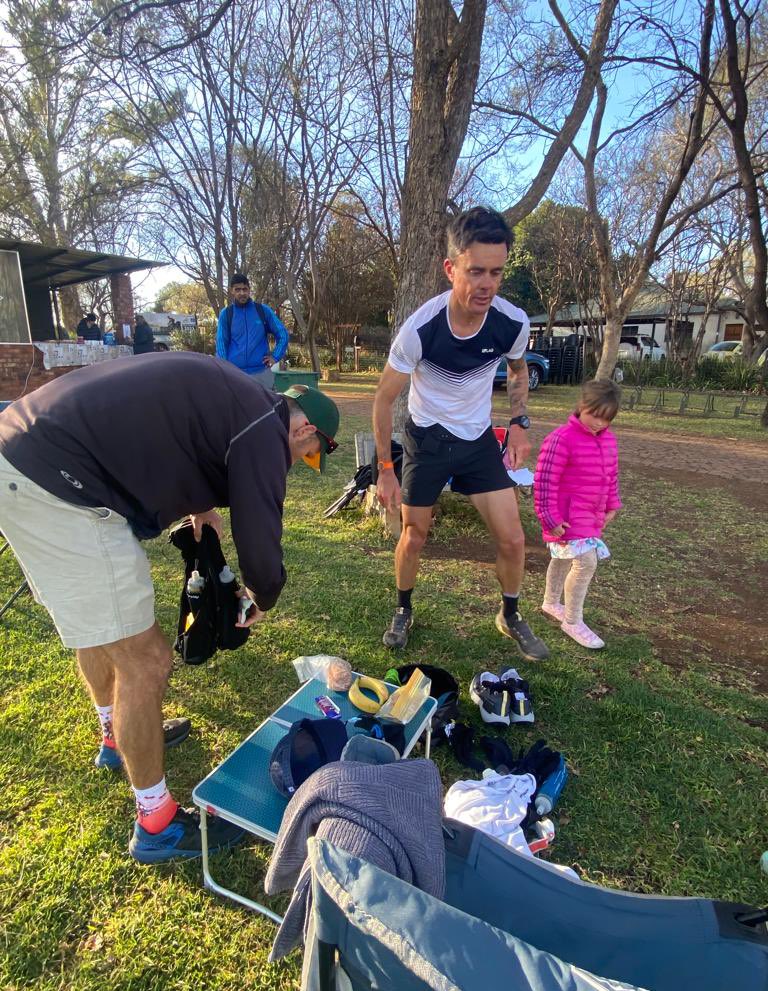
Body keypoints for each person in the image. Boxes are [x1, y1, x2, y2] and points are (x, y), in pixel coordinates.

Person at [0, 353, 340, 863]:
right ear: (304, 429)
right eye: (311, 455)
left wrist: (200, 505)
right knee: (146, 659)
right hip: (62, 486)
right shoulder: (264, 431)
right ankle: (156, 823)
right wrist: (262, 597)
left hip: (22, 452)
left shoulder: (240, 398)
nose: (301, 463)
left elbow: (170, 429)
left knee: (99, 631)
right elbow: (260, 535)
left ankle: (115, 737)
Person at [373, 206, 549, 660]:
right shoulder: (422, 329)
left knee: (512, 539)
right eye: (475, 271)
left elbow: (517, 369)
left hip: (476, 443)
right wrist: (386, 470)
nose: (487, 284)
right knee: (414, 536)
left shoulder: (511, 321)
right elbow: (382, 399)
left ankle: (510, 614)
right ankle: (403, 609)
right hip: (427, 442)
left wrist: (518, 422)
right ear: (451, 268)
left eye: (496, 272)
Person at [534, 379, 622, 650]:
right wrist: (549, 517)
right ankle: (573, 621)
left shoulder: (608, 441)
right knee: (586, 562)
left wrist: (611, 505)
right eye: (594, 415)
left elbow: (611, 477)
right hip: (566, 517)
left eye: (605, 419)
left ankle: (551, 602)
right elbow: (544, 481)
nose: (598, 423)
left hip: (590, 515)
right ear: (581, 406)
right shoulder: (561, 438)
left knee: (563, 560)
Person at [216, 273, 289, 389]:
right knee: (235, 408)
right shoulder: (226, 314)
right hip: (235, 375)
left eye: (245, 289)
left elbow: (283, 334)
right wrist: (224, 368)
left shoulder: (263, 311)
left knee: (268, 407)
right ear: (232, 291)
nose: (242, 293)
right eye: (238, 289)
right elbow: (221, 344)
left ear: (249, 290)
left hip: (262, 374)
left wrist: (275, 357)